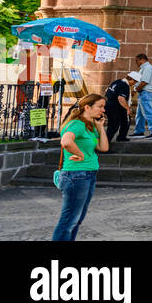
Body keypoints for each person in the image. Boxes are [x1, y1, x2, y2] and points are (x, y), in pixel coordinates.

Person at [53, 94, 108, 240]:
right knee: (69, 220)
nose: (103, 110)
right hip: (76, 176)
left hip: (87, 175)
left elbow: (103, 148)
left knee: (76, 219)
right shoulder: (77, 124)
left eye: (103, 107)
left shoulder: (90, 126)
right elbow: (66, 141)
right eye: (100, 106)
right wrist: (80, 154)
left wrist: (101, 128)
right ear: (87, 107)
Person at [132, 53, 152, 139]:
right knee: (140, 114)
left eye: (137, 61)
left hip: (146, 93)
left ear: (142, 59)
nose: (136, 63)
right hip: (143, 93)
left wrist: (135, 90)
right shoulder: (144, 68)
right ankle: (139, 131)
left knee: (148, 112)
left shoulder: (148, 68)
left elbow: (144, 82)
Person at [103, 73, 132, 143]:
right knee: (113, 125)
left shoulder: (117, 81)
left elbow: (106, 90)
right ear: (132, 79)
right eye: (135, 82)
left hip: (110, 103)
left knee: (126, 120)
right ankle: (105, 145)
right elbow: (121, 98)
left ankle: (121, 137)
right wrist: (127, 108)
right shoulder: (125, 85)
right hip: (114, 105)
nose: (134, 84)